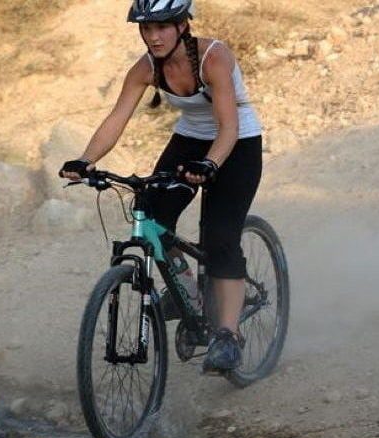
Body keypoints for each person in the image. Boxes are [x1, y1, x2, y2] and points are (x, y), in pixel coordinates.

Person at [58, 0, 263, 374]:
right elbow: (117, 116)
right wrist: (85, 161)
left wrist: (211, 164)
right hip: (190, 139)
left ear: (183, 25)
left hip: (236, 142)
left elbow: (229, 127)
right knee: (151, 214)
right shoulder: (145, 68)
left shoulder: (213, 58)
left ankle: (228, 335)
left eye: (161, 27)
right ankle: (192, 292)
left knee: (219, 237)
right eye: (145, 29)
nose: (152, 37)